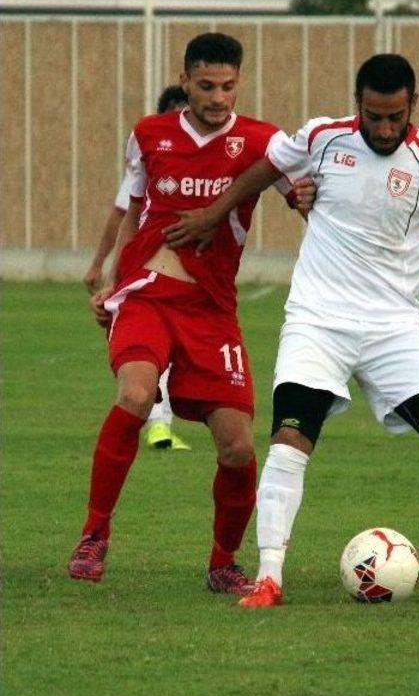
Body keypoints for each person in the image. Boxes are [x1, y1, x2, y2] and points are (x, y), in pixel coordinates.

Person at [164, 53, 419, 608]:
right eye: (373, 115)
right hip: (317, 320)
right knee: (288, 441)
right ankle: (269, 576)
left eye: (394, 116)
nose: (383, 128)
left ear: (411, 107)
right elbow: (265, 166)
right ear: (358, 106)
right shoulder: (323, 138)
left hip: (393, 327)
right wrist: (214, 213)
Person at [67, 32, 315, 594]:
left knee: (237, 446)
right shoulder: (149, 134)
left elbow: (297, 194)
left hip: (211, 309)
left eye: (228, 86)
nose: (218, 97)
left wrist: (305, 199)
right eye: (206, 86)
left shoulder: (261, 142)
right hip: (148, 296)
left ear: (239, 84)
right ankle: (94, 535)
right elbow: (134, 210)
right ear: (185, 82)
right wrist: (114, 284)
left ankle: (222, 562)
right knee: (134, 394)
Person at [84, 85, 191, 451]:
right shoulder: (146, 162)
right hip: (143, 274)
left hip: (191, 279)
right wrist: (106, 271)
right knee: (149, 354)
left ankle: (159, 418)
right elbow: (123, 216)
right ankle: (158, 423)